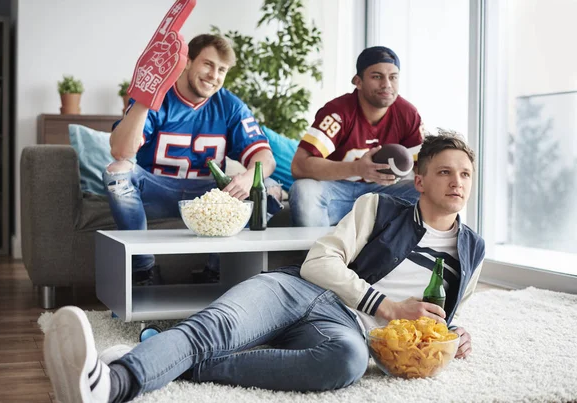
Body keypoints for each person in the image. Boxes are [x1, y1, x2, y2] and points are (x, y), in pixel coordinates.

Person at [44, 132, 484, 402]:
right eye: (445, 172)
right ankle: (113, 383)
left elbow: (437, 317)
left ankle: (176, 360)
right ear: (420, 181)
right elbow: (318, 261)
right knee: (214, 328)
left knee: (348, 365)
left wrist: (454, 335)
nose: (456, 182)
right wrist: (385, 305)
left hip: (347, 332)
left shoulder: (472, 249)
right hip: (299, 289)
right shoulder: (379, 207)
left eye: (465, 174)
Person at [105, 34, 282, 285]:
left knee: (271, 188)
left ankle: (216, 270)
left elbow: (266, 158)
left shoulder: (230, 105)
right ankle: (142, 268)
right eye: (208, 64)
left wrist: (246, 177)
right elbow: (120, 152)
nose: (214, 76)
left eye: (222, 70)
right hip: (156, 192)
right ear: (186, 61)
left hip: (208, 198)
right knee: (117, 171)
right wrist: (146, 99)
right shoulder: (158, 97)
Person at [289, 45, 426, 227]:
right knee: (303, 190)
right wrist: (357, 169)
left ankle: (398, 251)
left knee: (429, 191)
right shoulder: (338, 112)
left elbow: (424, 168)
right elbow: (299, 165)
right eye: (377, 77)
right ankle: (321, 254)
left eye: (393, 77)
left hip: (383, 195)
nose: (386, 84)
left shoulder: (407, 113)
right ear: (358, 81)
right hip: (337, 192)